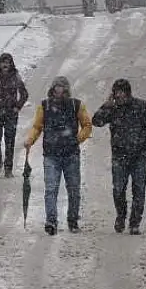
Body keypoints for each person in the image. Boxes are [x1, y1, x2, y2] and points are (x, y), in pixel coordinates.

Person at [23, 76, 93, 236]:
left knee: (73, 189)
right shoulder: (44, 106)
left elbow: (87, 125)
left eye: (62, 87)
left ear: (66, 89)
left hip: (71, 155)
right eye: (57, 87)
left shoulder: (76, 105)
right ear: (53, 89)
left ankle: (73, 220)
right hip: (51, 155)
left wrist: (77, 140)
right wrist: (30, 140)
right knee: (51, 189)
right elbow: (37, 126)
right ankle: (51, 220)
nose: (59, 90)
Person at [91, 79, 146, 235]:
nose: (120, 95)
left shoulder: (142, 106)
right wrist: (105, 106)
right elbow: (96, 121)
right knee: (118, 189)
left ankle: (135, 222)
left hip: (139, 156)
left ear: (128, 92)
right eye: (117, 92)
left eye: (122, 91)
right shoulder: (112, 109)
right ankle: (121, 217)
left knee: (139, 190)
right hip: (119, 155)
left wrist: (144, 137)